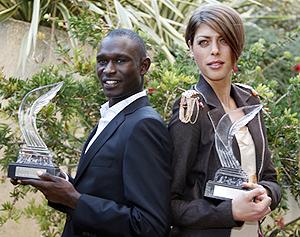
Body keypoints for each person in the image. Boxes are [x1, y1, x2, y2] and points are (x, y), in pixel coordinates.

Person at [18, 29, 172, 237]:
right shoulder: (112, 117)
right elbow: (102, 192)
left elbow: (149, 226)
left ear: (143, 66)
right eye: (102, 61)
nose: (108, 70)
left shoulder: (144, 125)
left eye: (120, 61)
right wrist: (57, 183)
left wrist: (73, 199)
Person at [168, 4, 281, 237]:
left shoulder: (250, 101)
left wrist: (267, 194)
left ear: (236, 46)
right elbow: (170, 202)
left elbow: (270, 178)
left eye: (224, 41)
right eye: (203, 42)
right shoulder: (191, 109)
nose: (215, 51)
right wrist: (230, 211)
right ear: (191, 48)